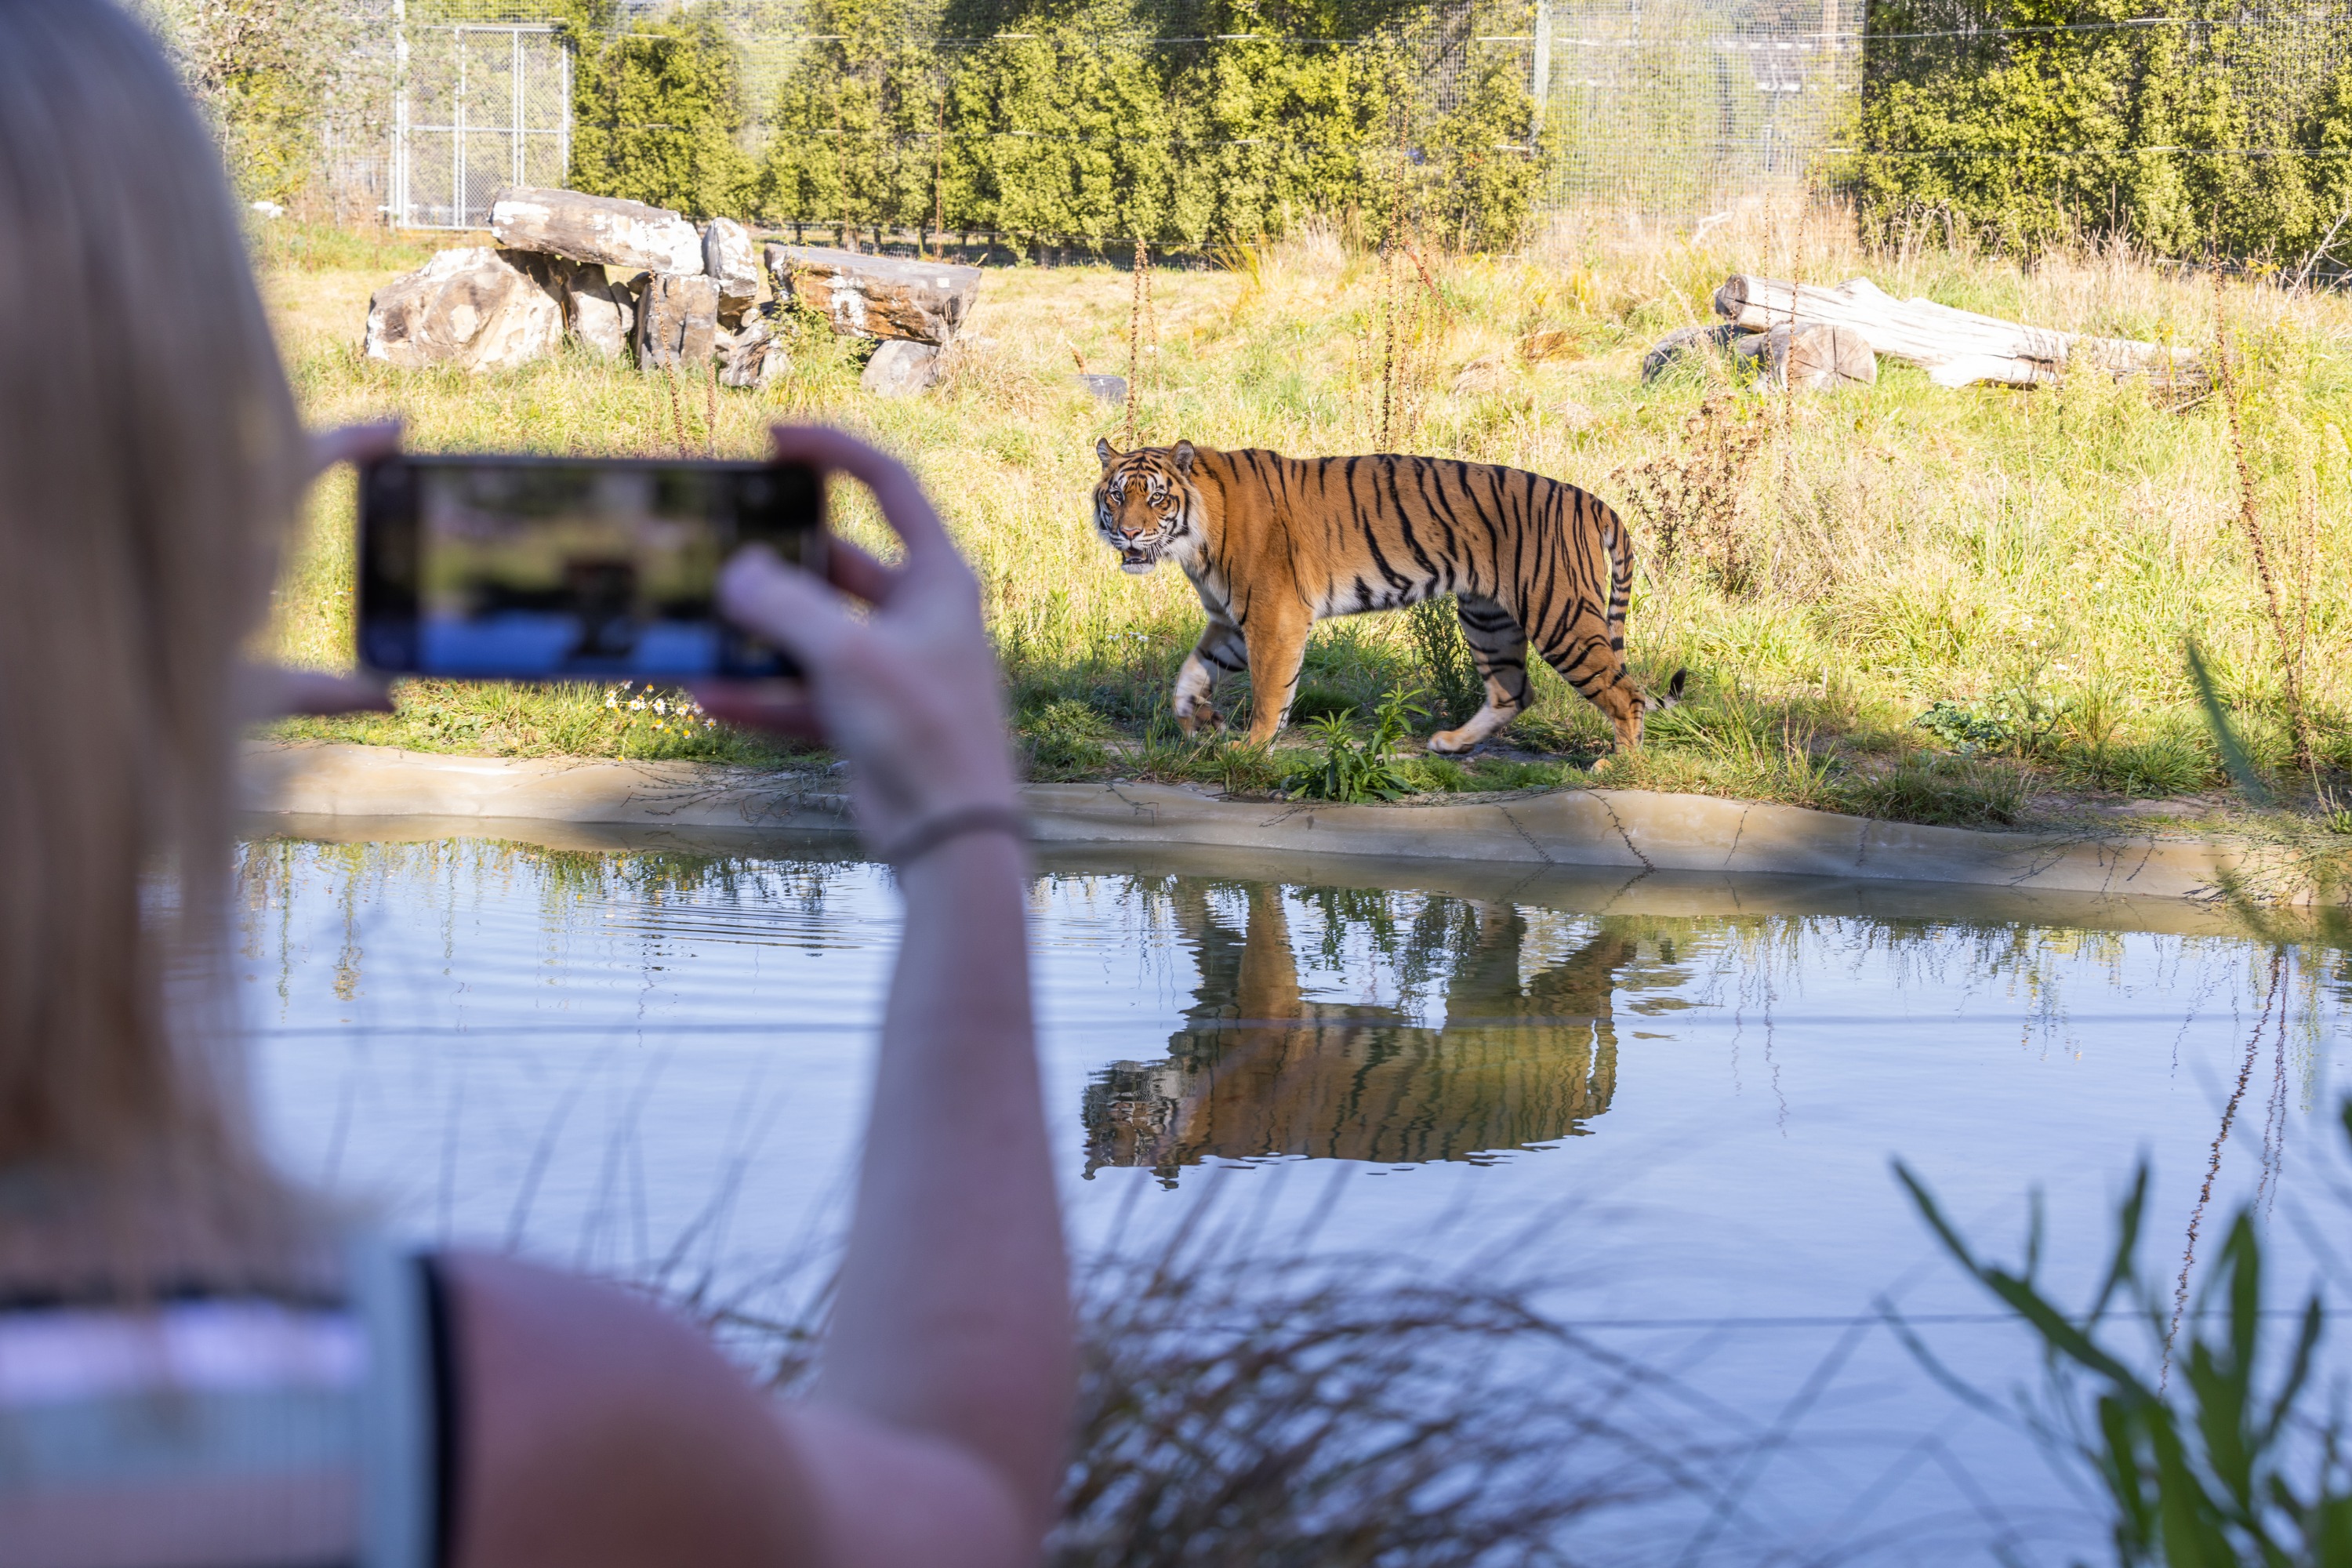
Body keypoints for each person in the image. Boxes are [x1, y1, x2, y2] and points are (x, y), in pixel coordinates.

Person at [0, 2, 1073, 1565]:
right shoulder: (476, 1413)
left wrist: (91, 738)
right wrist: (966, 832)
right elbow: (956, 1495)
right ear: (195, 521)